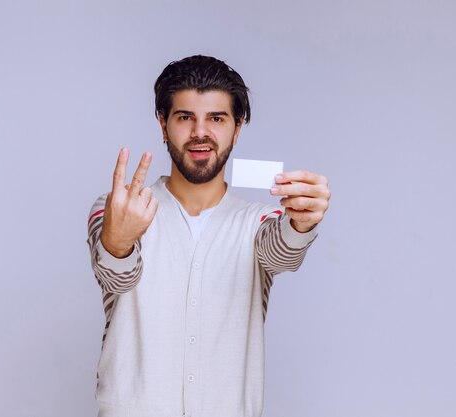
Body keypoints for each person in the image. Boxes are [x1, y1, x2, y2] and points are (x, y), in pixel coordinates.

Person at [86, 55, 330, 417]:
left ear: (238, 127)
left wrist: (303, 222)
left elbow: (282, 253)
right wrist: (119, 241)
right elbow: (115, 277)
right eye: (185, 117)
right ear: (163, 124)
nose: (201, 132)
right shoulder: (119, 208)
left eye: (216, 118)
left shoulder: (261, 220)